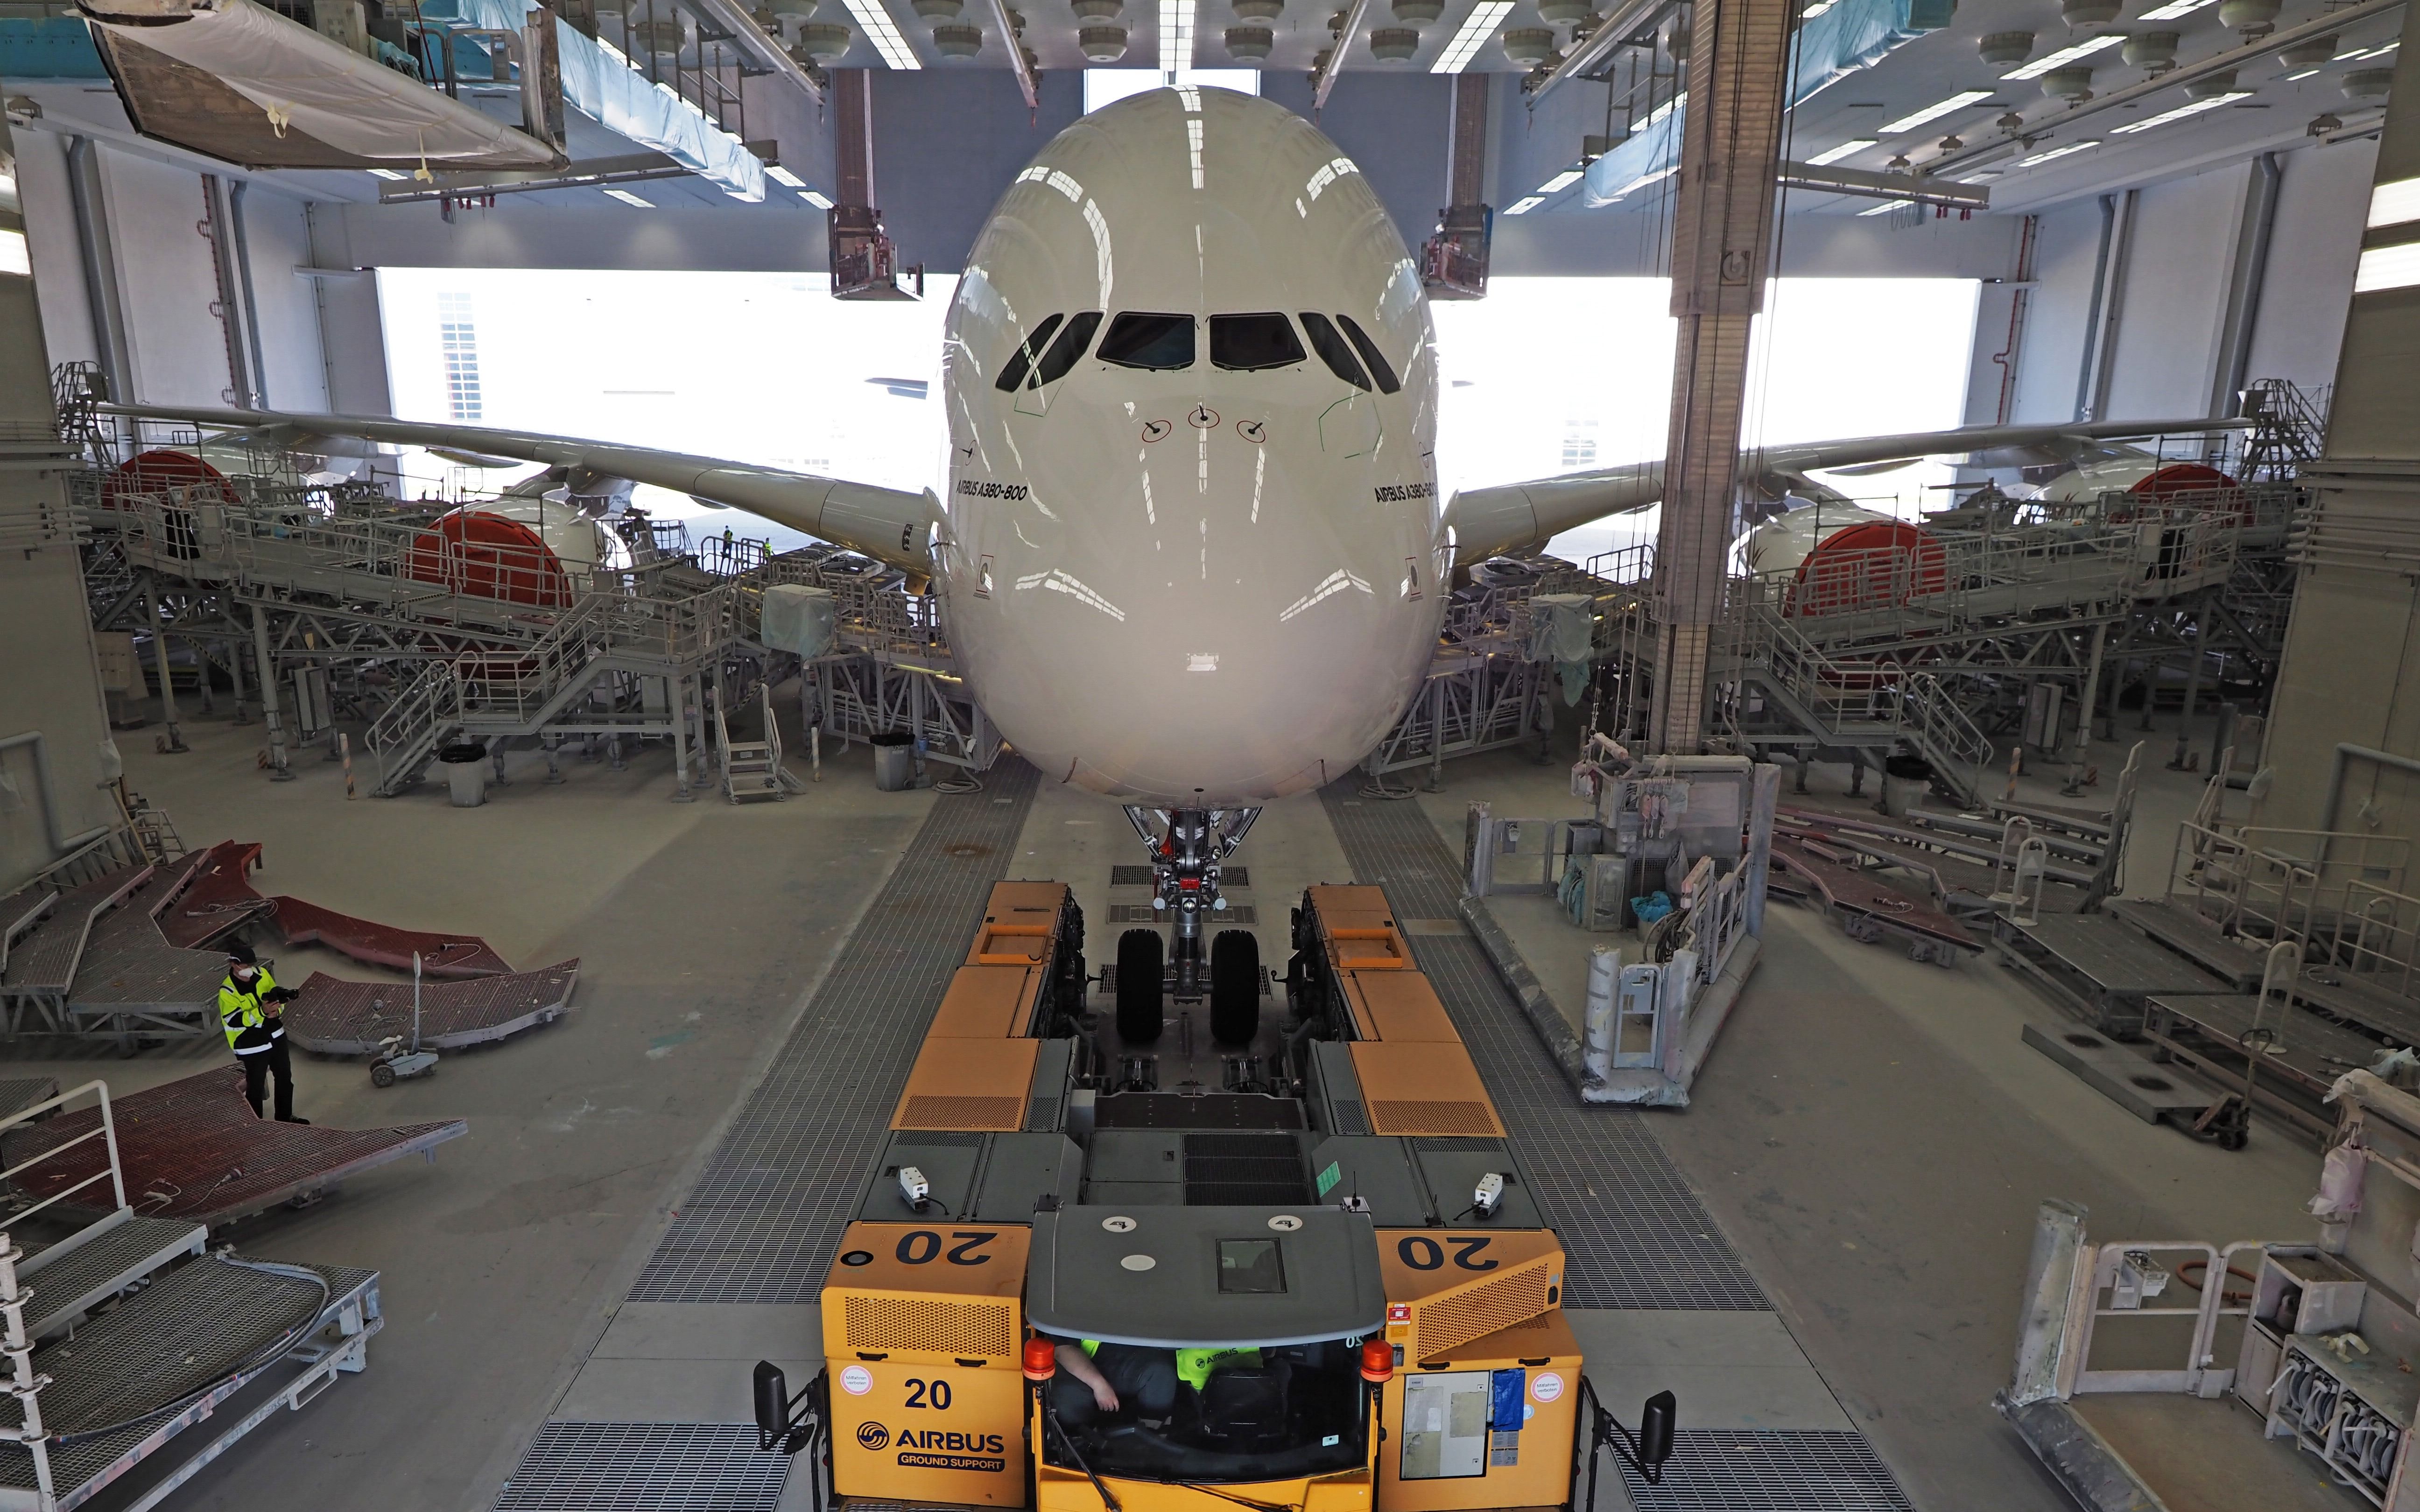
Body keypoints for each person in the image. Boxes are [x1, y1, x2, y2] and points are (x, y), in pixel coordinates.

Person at [219, 942, 308, 1123]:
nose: (250, 970)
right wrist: (261, 1012)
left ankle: (285, 1117)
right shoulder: (227, 991)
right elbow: (233, 1020)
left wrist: (277, 1011)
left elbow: (274, 1000)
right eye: (246, 967)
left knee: (285, 1077)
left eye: (252, 965)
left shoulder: (262, 974)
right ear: (234, 965)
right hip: (250, 1044)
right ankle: (255, 1123)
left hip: (275, 1035)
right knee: (256, 1085)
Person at [1048, 1337, 1178, 1428]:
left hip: (1132, 1361)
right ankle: (1078, 1446)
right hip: (1084, 1364)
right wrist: (1099, 1385)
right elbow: (1063, 1351)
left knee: (1161, 1374)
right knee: (1069, 1394)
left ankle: (1152, 1444)